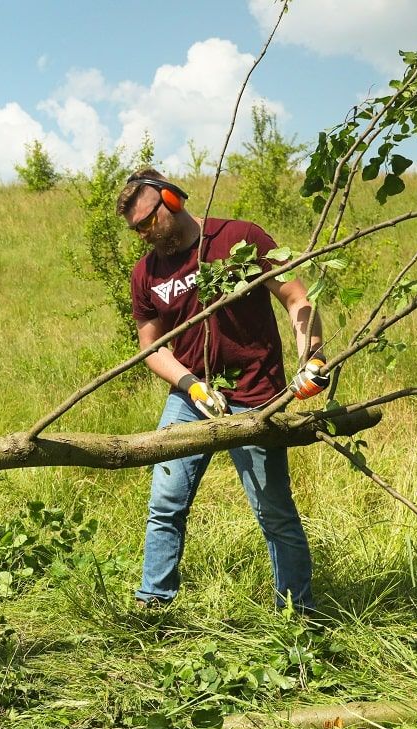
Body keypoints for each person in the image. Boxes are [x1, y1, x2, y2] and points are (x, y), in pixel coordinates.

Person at [118, 169, 330, 612]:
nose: (145, 236)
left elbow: (297, 300)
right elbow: (152, 349)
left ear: (172, 200)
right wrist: (191, 386)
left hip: (256, 394)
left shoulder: (238, 239)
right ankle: (153, 603)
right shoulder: (147, 272)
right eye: (137, 230)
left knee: (274, 514)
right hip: (191, 396)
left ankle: (298, 615)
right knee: (165, 503)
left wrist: (313, 358)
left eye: (148, 222)